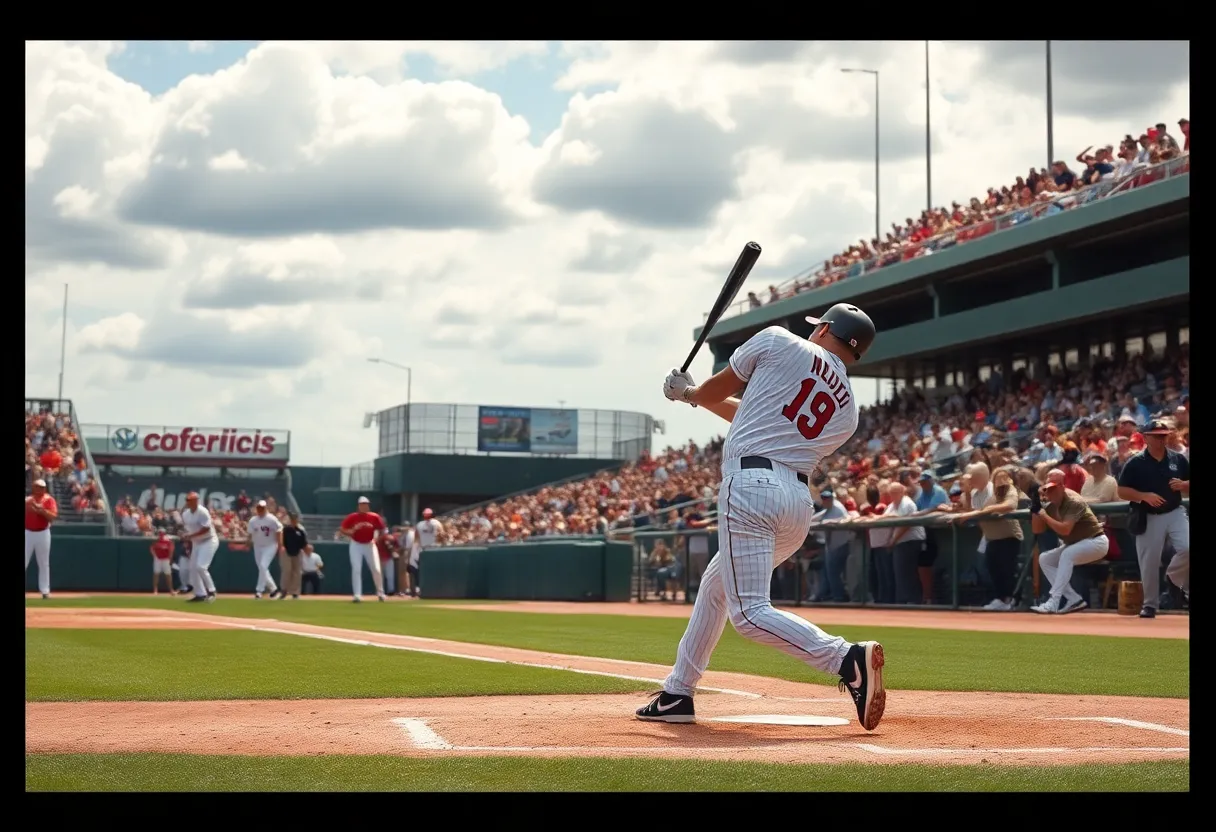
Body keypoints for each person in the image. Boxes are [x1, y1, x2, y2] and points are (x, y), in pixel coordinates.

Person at [638, 303, 886, 731]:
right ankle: (678, 692)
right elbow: (754, 414)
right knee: (716, 589)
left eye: (818, 328)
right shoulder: (849, 412)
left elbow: (717, 393)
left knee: (749, 613)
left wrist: (689, 394)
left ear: (825, 329)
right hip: (796, 503)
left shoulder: (778, 339)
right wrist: (695, 397)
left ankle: (845, 657)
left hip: (751, 487)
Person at [1116, 419, 1190, 618]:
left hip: (1174, 511)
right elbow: (1122, 491)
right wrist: (1143, 496)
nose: (1160, 439)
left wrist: (1184, 485)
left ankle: (1173, 578)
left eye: (1163, 436)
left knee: (1187, 548)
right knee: (1149, 562)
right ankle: (1150, 605)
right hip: (1148, 515)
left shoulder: (1178, 459)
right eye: (1156, 436)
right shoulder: (1135, 462)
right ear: (1145, 437)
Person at [947, 466, 1023, 611]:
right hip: (991, 536)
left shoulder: (1008, 490)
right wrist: (968, 498)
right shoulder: (981, 492)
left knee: (1006, 570)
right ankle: (1001, 599)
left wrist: (981, 512)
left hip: (1008, 535)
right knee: (992, 568)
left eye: (1004, 477)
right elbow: (972, 512)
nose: (1001, 480)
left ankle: (1011, 601)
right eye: (998, 477)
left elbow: (1009, 505)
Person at [1029, 480, 1108, 614]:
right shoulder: (1049, 506)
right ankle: (1073, 599)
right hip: (1076, 544)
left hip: (1096, 542)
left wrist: (1044, 515)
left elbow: (1065, 530)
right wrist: (1036, 510)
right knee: (1045, 559)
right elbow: (1037, 530)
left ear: (1062, 488)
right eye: (1048, 490)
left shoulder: (1073, 502)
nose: (1051, 493)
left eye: (1054, 489)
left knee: (1067, 554)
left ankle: (1054, 601)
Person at [337, 496, 387, 602]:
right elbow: (342, 529)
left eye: (366, 504)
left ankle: (380, 593)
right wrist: (350, 532)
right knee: (356, 569)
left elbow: (383, 529)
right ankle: (357, 595)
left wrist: (377, 538)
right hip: (356, 544)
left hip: (370, 544)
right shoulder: (352, 517)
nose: (364, 506)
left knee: (376, 569)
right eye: (362, 504)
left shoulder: (374, 517)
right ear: (358, 506)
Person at [180, 492, 218, 603]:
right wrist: (187, 538)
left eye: (193, 499)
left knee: (201, 567)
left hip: (209, 540)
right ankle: (200, 594)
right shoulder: (186, 514)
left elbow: (206, 529)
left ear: (197, 500)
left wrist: (190, 536)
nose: (190, 502)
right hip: (196, 542)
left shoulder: (203, 511)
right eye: (188, 500)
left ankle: (212, 591)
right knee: (193, 568)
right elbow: (189, 529)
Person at [25, 478, 58, 599]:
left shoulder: (49, 500)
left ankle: (45, 591)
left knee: (43, 563)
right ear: (33, 487)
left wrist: (41, 511)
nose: (40, 489)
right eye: (37, 487)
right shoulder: (28, 500)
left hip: (43, 532)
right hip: (28, 532)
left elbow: (53, 517)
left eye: (42, 487)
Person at [245, 501, 284, 599]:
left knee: (263, 566)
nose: (260, 509)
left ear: (266, 508)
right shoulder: (253, 520)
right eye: (258, 507)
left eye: (262, 508)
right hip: (257, 546)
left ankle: (259, 591)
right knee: (262, 569)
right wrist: (248, 543)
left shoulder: (271, 519)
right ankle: (274, 589)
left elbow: (279, 531)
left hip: (270, 546)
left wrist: (280, 545)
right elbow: (250, 533)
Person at [280, 513, 308, 599]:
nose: (293, 520)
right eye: (292, 519)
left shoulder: (300, 530)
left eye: (295, 519)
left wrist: (304, 550)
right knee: (287, 571)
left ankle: (295, 592)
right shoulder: (286, 529)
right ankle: (284, 590)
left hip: (297, 552)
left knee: (297, 573)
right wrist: (282, 547)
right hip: (286, 552)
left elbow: (304, 543)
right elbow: (282, 540)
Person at [150, 530, 176, 595]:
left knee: (168, 574)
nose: (161, 535)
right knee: (156, 574)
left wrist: (170, 559)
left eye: (162, 534)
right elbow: (151, 548)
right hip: (158, 559)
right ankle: (155, 590)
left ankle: (171, 590)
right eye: (159, 534)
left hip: (166, 559)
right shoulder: (156, 541)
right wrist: (154, 556)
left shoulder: (168, 541)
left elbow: (171, 551)